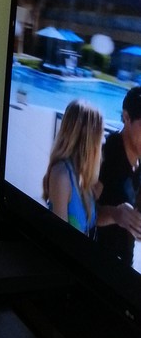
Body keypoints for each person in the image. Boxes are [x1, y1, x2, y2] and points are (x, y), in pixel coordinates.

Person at [42, 99, 103, 237]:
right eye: (99, 136)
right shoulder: (62, 176)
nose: (102, 141)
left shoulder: (81, 175)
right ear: (88, 139)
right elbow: (59, 237)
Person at [96, 86, 141, 266]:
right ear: (126, 117)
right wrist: (115, 214)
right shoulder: (106, 153)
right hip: (96, 260)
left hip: (124, 263)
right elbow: (84, 212)